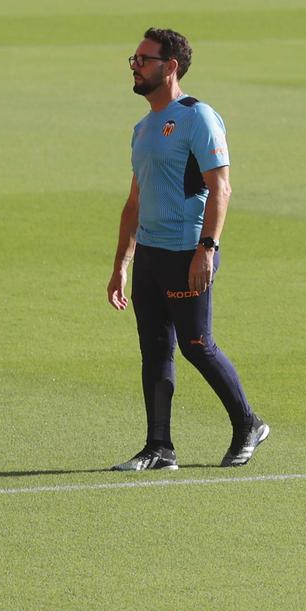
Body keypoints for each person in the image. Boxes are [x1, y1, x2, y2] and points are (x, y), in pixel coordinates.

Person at [107, 27, 269, 470]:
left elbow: (222, 188)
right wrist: (122, 262)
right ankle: (159, 448)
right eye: (134, 59)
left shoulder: (198, 117)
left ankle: (248, 423)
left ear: (170, 67)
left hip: (187, 251)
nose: (135, 67)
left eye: (144, 59)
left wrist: (208, 248)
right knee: (155, 349)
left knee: (197, 345)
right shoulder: (142, 129)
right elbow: (135, 201)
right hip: (151, 257)